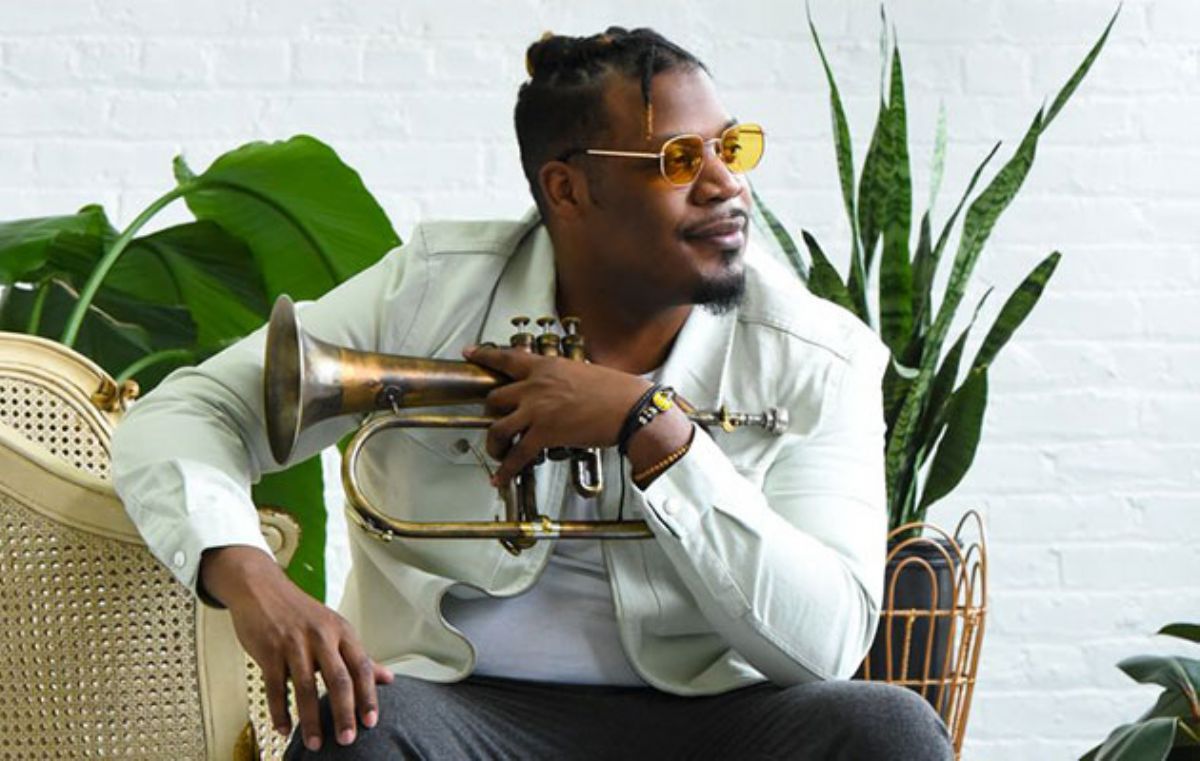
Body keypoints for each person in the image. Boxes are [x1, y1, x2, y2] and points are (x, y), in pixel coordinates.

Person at [112, 27, 954, 760]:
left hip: (716, 714)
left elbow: (825, 645)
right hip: (463, 706)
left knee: (889, 728)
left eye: (730, 149)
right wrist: (248, 575)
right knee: (357, 732)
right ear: (567, 189)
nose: (725, 185)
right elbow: (186, 412)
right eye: (677, 160)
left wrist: (649, 428)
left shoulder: (818, 354)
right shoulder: (432, 290)